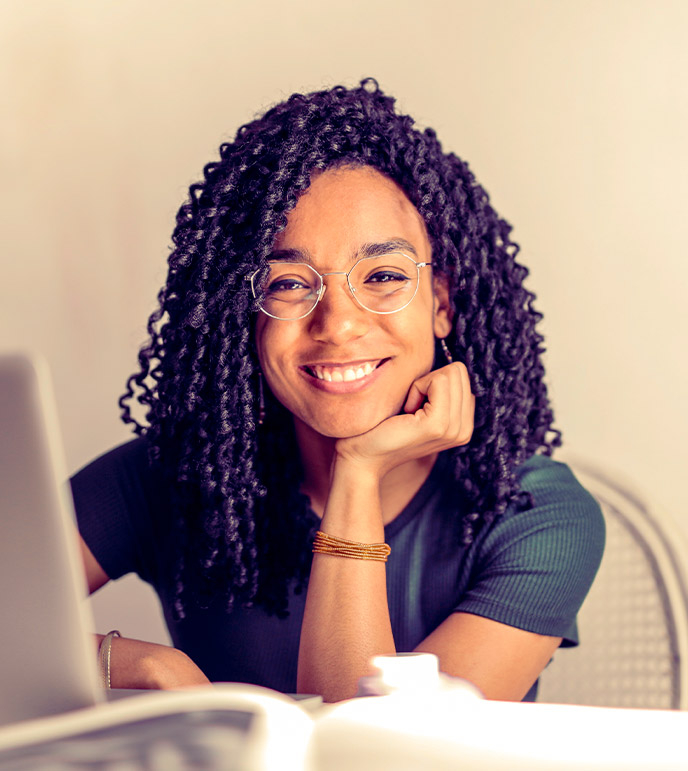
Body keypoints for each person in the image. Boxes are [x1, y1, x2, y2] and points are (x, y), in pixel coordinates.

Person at [71, 80, 605, 703]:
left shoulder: (534, 514)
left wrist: (358, 472)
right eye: (290, 284)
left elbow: (377, 755)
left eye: (382, 276)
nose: (339, 323)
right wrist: (134, 664)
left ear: (441, 303)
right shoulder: (171, 476)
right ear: (243, 315)